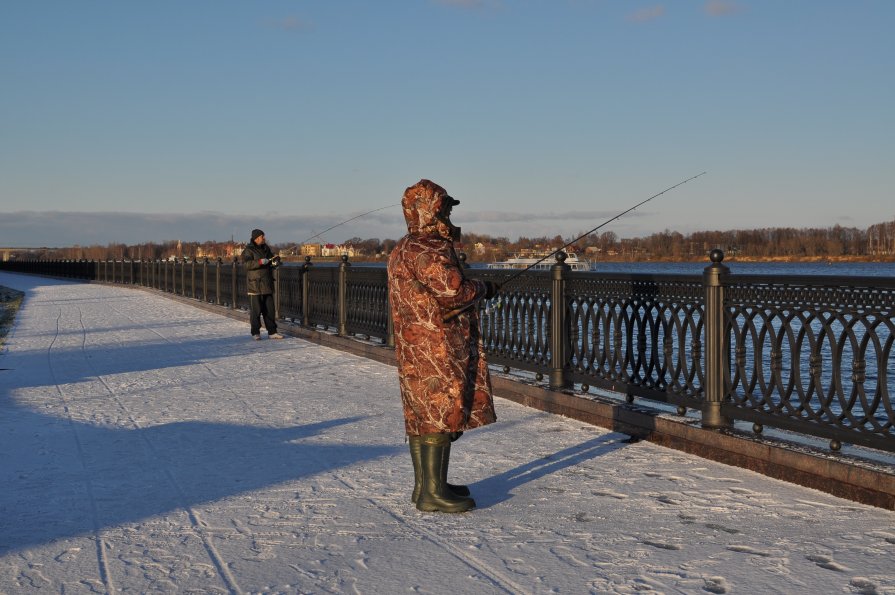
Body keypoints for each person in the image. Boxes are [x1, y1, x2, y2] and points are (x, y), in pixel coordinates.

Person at [387, 179, 499, 513]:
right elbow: (452, 292)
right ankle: (432, 492)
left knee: (422, 412)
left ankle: (426, 485)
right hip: (437, 345)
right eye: (445, 208)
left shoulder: (404, 246)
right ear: (431, 210)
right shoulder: (428, 247)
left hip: (415, 345)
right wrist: (483, 288)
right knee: (438, 411)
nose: (449, 214)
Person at [241, 229, 284, 340]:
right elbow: (246, 265)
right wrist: (260, 262)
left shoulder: (266, 248)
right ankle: (256, 333)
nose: (264, 238)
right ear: (257, 238)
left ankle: (272, 332)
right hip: (255, 285)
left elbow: (270, 261)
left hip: (267, 284)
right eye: (262, 236)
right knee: (256, 311)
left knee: (269, 310)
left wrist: (275, 262)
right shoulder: (248, 250)